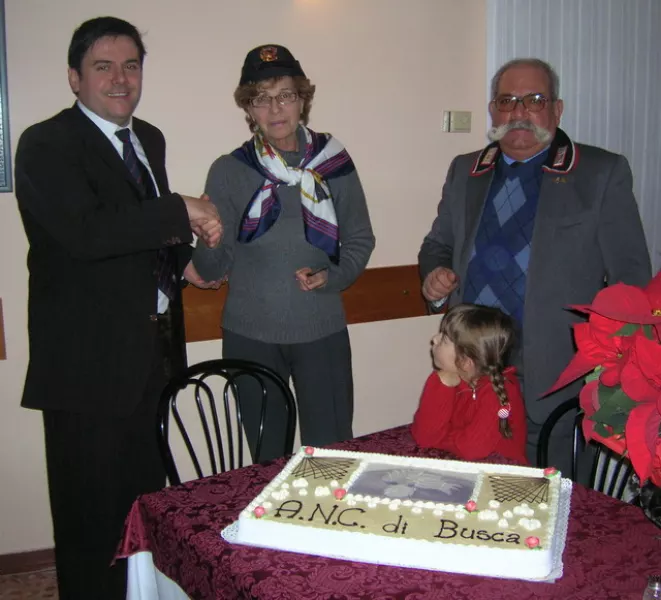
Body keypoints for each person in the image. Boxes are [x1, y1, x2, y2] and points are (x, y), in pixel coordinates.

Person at [14, 16, 222, 600]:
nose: (120, 78)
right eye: (103, 66)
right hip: (85, 369)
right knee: (89, 523)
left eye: (131, 65)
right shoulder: (45, 143)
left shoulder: (147, 138)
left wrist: (185, 262)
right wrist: (181, 207)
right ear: (74, 78)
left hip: (149, 360)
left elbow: (141, 234)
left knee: (141, 510)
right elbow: (83, 234)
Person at [418, 58, 651, 472]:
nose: (520, 112)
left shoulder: (599, 172)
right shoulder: (466, 170)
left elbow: (630, 279)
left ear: (557, 110)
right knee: (472, 478)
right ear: (493, 110)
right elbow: (438, 245)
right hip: (476, 360)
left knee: (555, 498)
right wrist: (434, 276)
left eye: (534, 100)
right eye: (508, 101)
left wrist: (615, 366)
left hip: (555, 370)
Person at [190, 44, 375, 461]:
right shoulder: (229, 170)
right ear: (249, 108)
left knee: (331, 457)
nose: (275, 108)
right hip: (249, 337)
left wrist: (334, 276)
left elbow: (361, 238)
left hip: (322, 331)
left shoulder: (334, 162)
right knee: (265, 458)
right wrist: (208, 239)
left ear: (303, 99)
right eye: (261, 97)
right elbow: (211, 270)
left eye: (285, 95)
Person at [411, 304, 527, 464]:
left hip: (502, 478)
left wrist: (443, 435)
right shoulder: (447, 377)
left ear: (466, 362)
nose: (434, 339)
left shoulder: (500, 393)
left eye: (444, 339)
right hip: (465, 469)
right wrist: (441, 384)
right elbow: (424, 437)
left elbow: (472, 449)